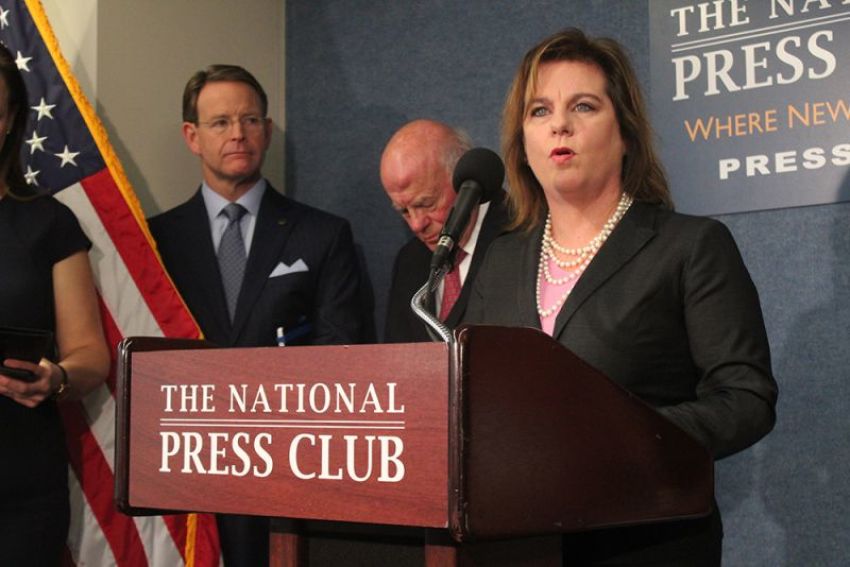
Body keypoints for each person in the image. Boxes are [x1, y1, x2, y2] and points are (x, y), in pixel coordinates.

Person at [463, 29, 778, 565]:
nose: (559, 124)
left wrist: (627, 436)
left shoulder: (689, 247)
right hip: (518, 542)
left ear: (626, 133)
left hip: (646, 540)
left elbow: (746, 399)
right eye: (539, 111)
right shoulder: (502, 259)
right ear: (523, 142)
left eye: (583, 106)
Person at [148, 64, 367, 567]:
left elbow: (341, 353)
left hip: (288, 465)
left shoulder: (323, 234)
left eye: (249, 120)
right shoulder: (155, 241)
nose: (238, 134)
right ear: (192, 136)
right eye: (220, 122)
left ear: (267, 130)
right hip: (187, 466)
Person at [0, 43, 110, 565]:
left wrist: (56, 378)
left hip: (20, 491)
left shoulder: (49, 223)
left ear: (10, 122)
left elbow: (90, 354)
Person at [380, 119, 509, 342]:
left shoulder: (522, 236)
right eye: (404, 211)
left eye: (426, 204)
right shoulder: (410, 260)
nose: (416, 225)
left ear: (465, 180)